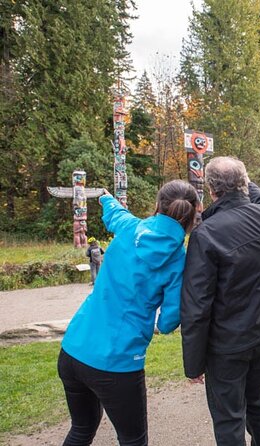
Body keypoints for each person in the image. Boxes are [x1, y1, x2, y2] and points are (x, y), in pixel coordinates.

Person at [58, 180, 198, 446]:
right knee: (133, 440)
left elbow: (115, 214)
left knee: (81, 430)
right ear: (192, 214)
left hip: (74, 349)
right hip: (117, 362)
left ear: (158, 205)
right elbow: (169, 321)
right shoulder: (179, 259)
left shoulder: (131, 228)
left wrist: (105, 198)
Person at [180, 156, 260, 446]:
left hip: (227, 345)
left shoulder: (206, 234)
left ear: (211, 190)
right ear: (245, 184)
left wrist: (193, 364)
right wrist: (243, 180)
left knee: (229, 418)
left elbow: (196, 306)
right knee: (259, 406)